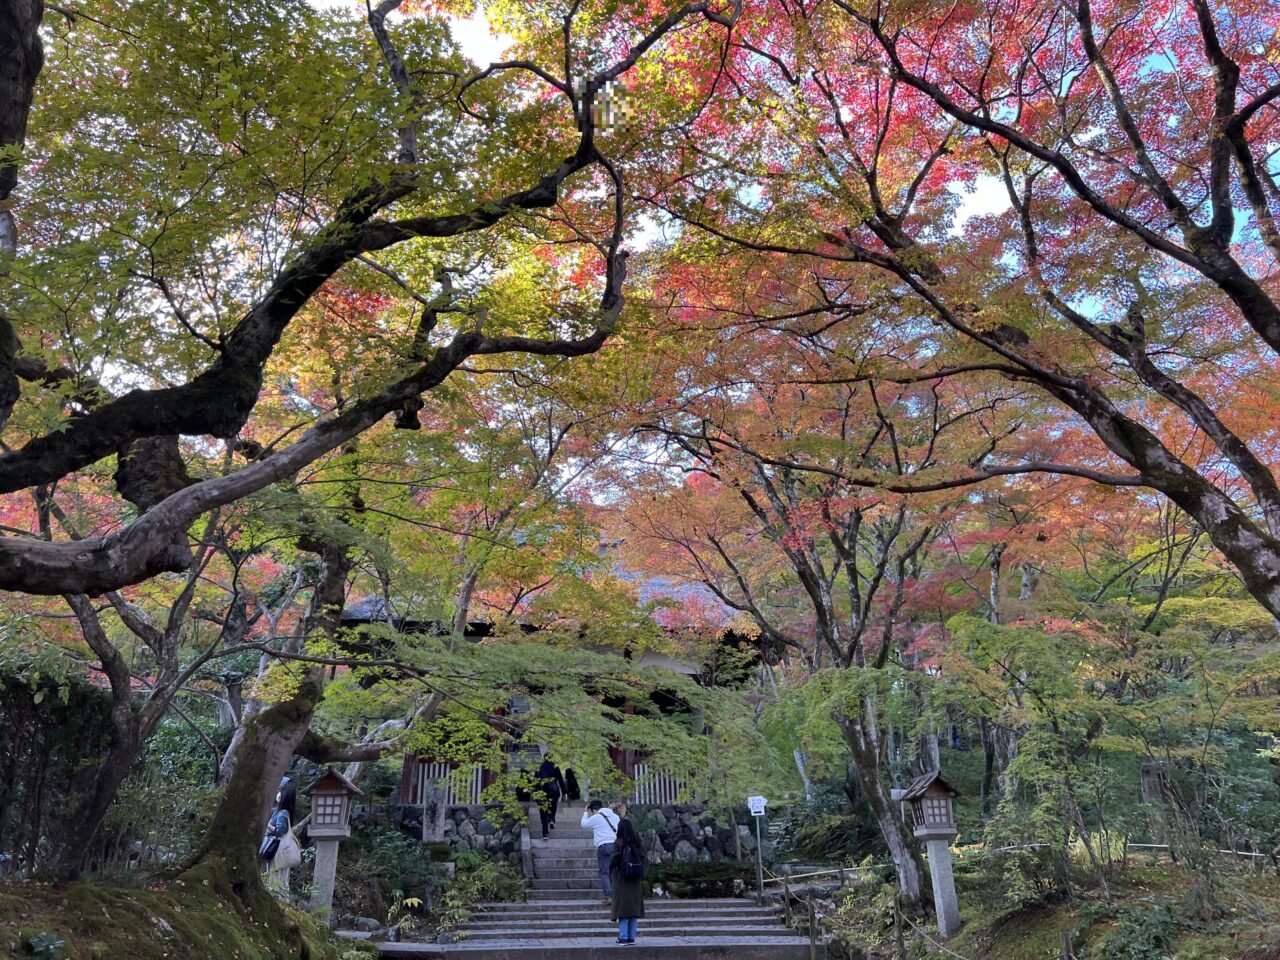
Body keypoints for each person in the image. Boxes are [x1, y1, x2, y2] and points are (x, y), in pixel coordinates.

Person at [609, 818, 645, 944]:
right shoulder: (637, 842)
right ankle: (631, 937)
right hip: (635, 880)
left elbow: (614, 860)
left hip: (622, 879)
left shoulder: (619, 843)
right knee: (633, 910)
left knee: (622, 909)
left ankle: (623, 936)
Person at [580, 799, 619, 903]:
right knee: (614, 871)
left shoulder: (596, 817)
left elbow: (583, 824)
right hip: (615, 846)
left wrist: (585, 812)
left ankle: (608, 897)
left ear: (592, 809)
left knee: (604, 872)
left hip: (603, 846)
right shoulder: (615, 817)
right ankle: (616, 896)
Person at [261, 782, 296, 890]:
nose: (278, 793)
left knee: (276, 875)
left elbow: (279, 832)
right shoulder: (278, 811)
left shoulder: (283, 813)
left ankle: (278, 896)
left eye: (280, 792)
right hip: (278, 850)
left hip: (277, 849)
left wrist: (267, 824)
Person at [534, 754, 567, 839]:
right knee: (553, 806)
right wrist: (564, 793)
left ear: (544, 758)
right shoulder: (555, 767)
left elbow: (535, 783)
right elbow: (560, 780)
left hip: (542, 793)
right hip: (554, 791)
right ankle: (552, 819)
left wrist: (534, 794)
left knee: (543, 813)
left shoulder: (539, 768)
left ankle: (545, 834)